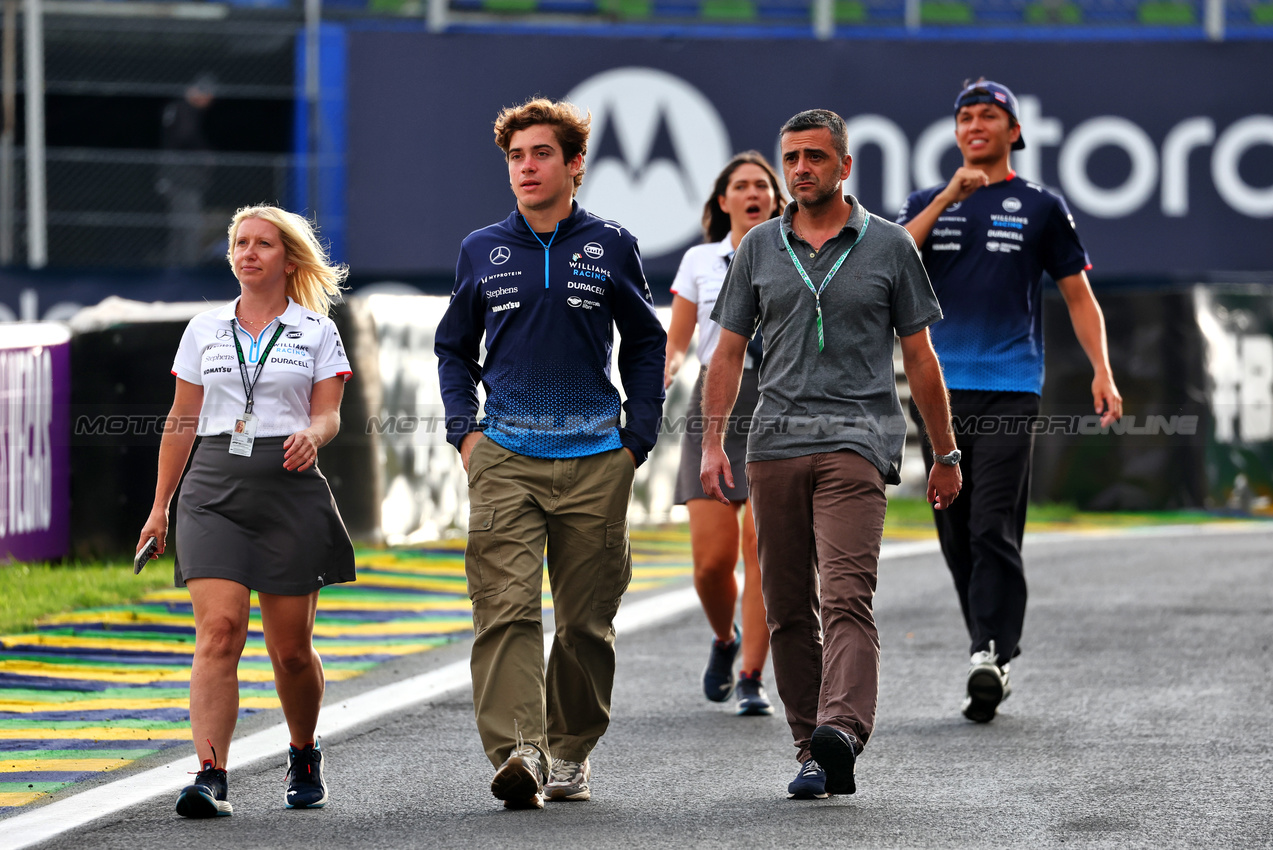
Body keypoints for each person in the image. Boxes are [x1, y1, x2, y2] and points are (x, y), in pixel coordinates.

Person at [702, 109, 961, 800]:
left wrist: (946, 452)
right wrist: (710, 444)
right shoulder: (758, 246)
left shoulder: (887, 247)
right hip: (772, 447)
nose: (799, 170)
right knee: (787, 607)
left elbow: (920, 355)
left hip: (856, 440)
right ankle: (811, 749)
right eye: (791, 159)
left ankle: (841, 728)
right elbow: (726, 352)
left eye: (814, 157)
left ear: (845, 166)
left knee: (846, 594)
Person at [435, 97, 666, 810]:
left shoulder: (612, 244)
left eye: (540, 155)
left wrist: (638, 437)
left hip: (599, 456)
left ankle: (568, 752)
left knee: (584, 622)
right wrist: (463, 432)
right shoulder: (480, 248)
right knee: (503, 609)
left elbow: (648, 341)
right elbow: (452, 346)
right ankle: (521, 752)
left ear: (573, 165)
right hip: (502, 453)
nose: (526, 168)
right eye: (515, 157)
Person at [897, 79, 1122, 724]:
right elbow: (891, 261)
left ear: (1014, 132)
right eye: (965, 116)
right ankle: (988, 647)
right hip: (937, 388)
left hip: (1011, 384)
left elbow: (1079, 294)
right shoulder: (927, 202)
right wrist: (945, 197)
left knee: (993, 519)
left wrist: (1102, 371)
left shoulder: (1041, 206)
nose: (974, 124)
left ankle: (987, 652)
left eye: (989, 116)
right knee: (954, 525)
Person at [137, 204, 356, 818]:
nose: (248, 253)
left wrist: (313, 435)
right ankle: (210, 773)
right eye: (240, 243)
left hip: (290, 491)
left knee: (289, 649)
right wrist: (160, 509)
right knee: (220, 631)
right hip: (211, 491)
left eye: (263, 244)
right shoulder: (203, 330)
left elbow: (330, 412)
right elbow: (181, 421)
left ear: (289, 260)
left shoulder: (316, 330)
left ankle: (304, 750)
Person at [664, 151, 786, 716]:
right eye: (741, 185)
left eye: (763, 185)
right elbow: (679, 341)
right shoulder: (699, 260)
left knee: (765, 551)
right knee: (713, 562)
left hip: (783, 404)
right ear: (723, 201)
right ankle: (724, 638)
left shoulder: (797, 251)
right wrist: (663, 372)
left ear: (775, 198)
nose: (753, 192)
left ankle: (753, 677)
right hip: (714, 403)